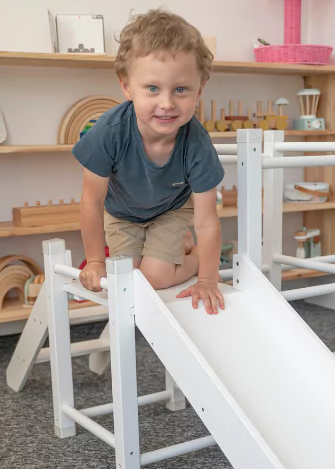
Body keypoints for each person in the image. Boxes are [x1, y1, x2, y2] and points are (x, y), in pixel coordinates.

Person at [73, 9, 225, 314]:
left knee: (153, 278)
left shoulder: (197, 144)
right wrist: (94, 261)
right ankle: (173, 247)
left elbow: (207, 219)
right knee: (128, 278)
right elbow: (91, 201)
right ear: (127, 87)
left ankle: (188, 255)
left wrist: (207, 277)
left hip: (172, 209)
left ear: (200, 89)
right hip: (122, 213)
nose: (167, 103)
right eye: (152, 88)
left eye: (181, 89)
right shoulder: (110, 131)